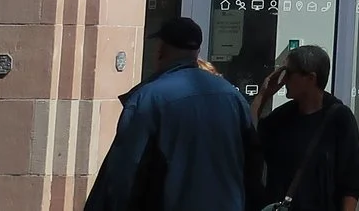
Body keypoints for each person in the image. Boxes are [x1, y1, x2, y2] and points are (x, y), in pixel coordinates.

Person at [87, 16, 253, 211]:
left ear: (161, 50)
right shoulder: (232, 96)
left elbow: (123, 174)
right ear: (197, 51)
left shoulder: (149, 98)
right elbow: (252, 162)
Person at [250, 44, 359, 211]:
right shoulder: (281, 117)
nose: (283, 79)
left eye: (289, 73)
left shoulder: (340, 119)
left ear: (311, 78)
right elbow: (249, 136)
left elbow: (351, 184)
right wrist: (264, 95)